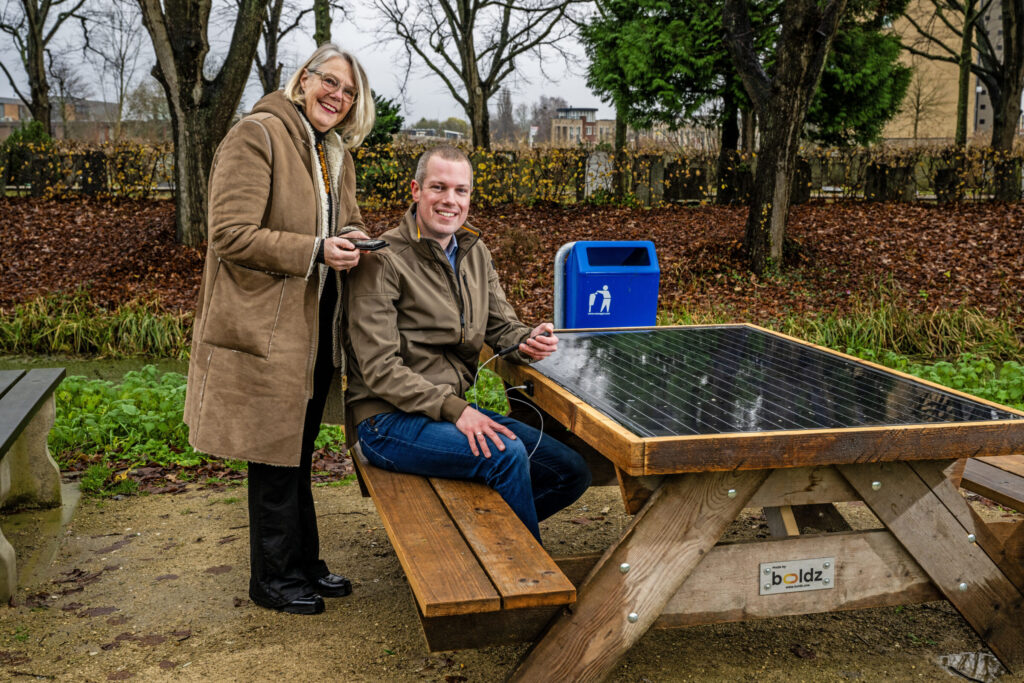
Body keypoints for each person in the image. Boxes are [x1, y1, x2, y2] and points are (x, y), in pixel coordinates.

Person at [183, 44, 376, 615]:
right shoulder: (257, 134)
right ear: (303, 79)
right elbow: (230, 235)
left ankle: (302, 563)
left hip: (314, 328)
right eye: (330, 82)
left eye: (348, 92)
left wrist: (358, 239)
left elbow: (347, 222)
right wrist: (318, 251)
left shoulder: (331, 152)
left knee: (297, 451)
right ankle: (271, 578)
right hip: (265, 330)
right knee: (272, 457)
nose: (337, 97)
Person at [344, 145, 591, 541]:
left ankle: (478, 543)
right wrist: (456, 410)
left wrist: (526, 339)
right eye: (438, 187)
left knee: (570, 470)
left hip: (446, 412)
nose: (450, 200)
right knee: (506, 455)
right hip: (387, 421)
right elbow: (379, 369)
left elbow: (500, 325)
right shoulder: (381, 261)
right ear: (415, 190)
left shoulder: (475, 253)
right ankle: (522, 579)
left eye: (461, 190)